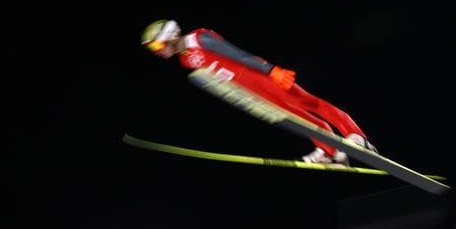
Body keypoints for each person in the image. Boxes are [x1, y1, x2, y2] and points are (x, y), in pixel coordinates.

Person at [141, 19, 377, 164]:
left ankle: (355, 135)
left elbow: (236, 54)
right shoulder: (185, 60)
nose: (158, 51)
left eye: (157, 45)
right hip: (248, 89)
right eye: (153, 49)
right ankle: (329, 149)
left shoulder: (198, 39)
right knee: (294, 116)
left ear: (171, 35)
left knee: (307, 102)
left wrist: (271, 70)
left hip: (259, 76)